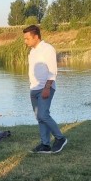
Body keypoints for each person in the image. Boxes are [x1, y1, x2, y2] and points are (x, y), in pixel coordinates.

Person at [23, 25, 68, 154]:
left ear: (36, 36)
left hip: (45, 88)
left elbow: (52, 70)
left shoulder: (48, 49)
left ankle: (60, 138)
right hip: (34, 88)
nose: (25, 41)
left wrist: (47, 88)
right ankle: (45, 144)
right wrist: (32, 87)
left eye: (27, 38)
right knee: (39, 117)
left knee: (43, 114)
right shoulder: (32, 52)